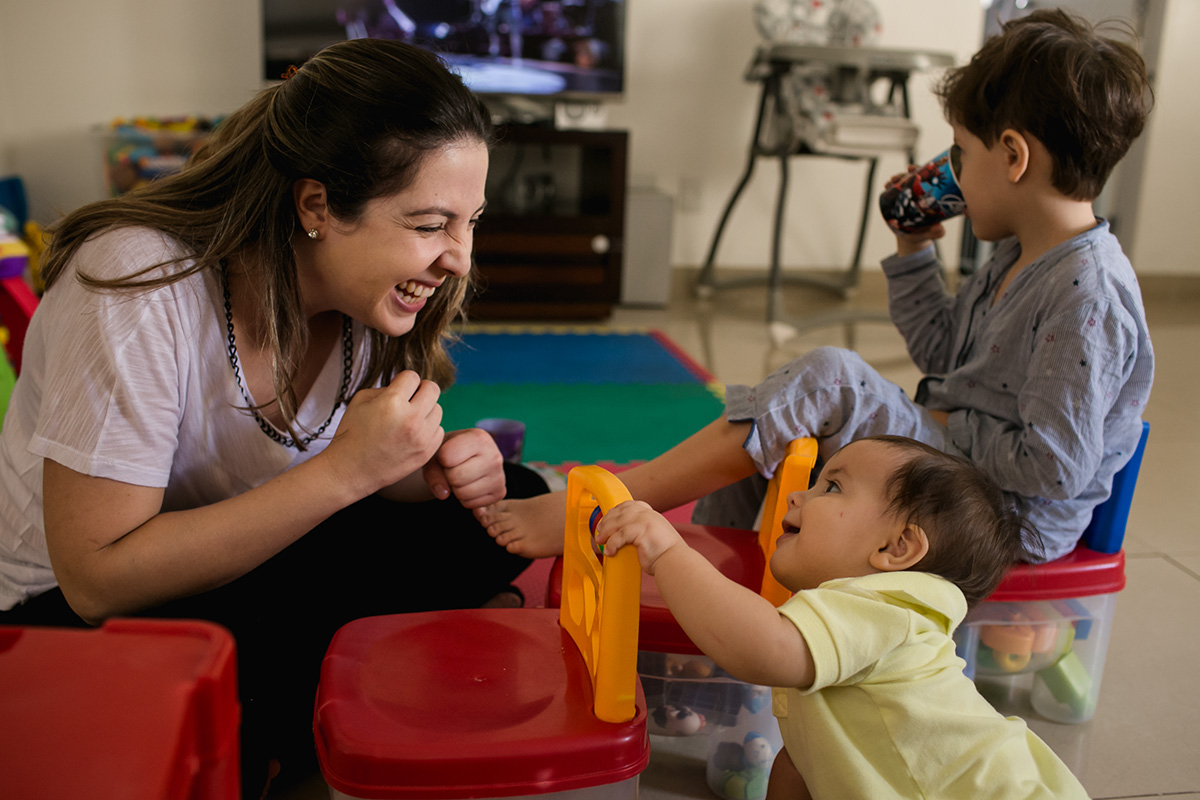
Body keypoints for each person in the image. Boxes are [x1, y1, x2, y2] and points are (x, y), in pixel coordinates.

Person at [0, 39, 548, 797]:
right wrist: (348, 472)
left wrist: (419, 472)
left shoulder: (365, 300)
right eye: (429, 224)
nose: (459, 256)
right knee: (291, 620)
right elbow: (98, 580)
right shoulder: (137, 283)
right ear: (317, 205)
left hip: (243, 557)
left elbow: (319, 474)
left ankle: (305, 698)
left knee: (507, 497)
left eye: (470, 221)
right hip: (60, 622)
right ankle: (281, 734)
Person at [480, 8, 1154, 564]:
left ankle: (612, 496)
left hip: (1004, 516)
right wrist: (912, 249)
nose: (953, 174)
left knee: (829, 378)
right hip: (964, 472)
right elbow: (946, 359)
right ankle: (711, 582)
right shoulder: (1016, 255)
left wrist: (952, 423)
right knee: (780, 439)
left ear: (1012, 157)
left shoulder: (1086, 294)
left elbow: (1054, 470)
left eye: (962, 153)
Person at [593, 435, 1088, 799]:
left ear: (896, 548)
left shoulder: (886, 605)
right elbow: (807, 755)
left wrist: (667, 552)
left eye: (830, 487)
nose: (796, 496)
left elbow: (762, 649)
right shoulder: (858, 616)